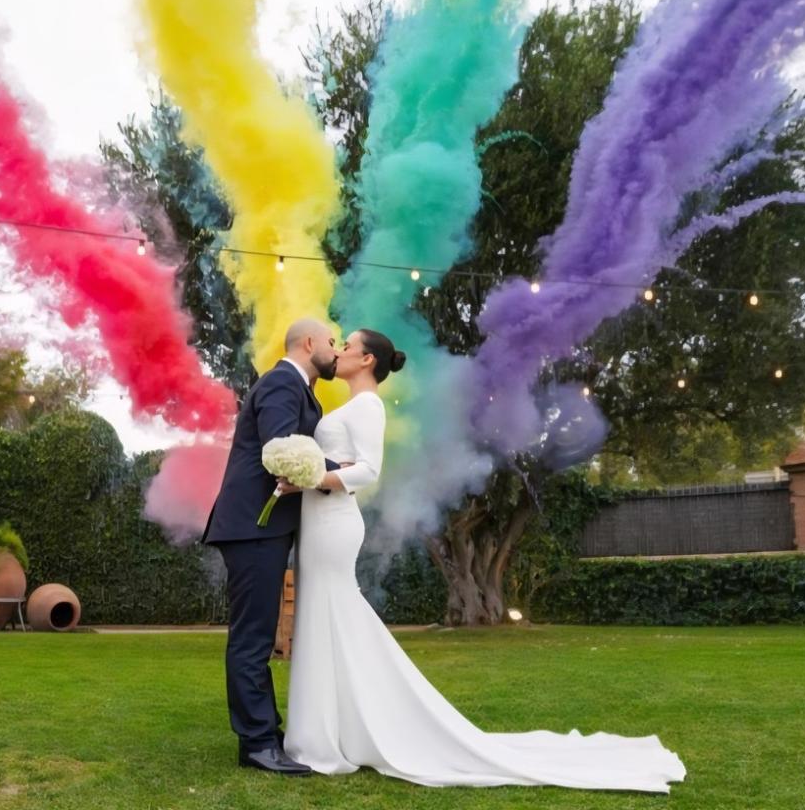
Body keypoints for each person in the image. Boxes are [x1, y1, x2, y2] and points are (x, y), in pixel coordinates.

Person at [281, 328, 687, 792]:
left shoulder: (368, 406)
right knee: (325, 618)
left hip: (333, 522)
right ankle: (333, 729)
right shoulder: (352, 405)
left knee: (332, 613)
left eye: (348, 345)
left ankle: (328, 737)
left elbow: (368, 470)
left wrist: (313, 475)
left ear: (367, 360)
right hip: (318, 521)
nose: (340, 349)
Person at [201, 317, 339, 775]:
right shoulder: (283, 382)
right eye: (332, 342)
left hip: (262, 528)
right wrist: (345, 470)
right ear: (309, 342)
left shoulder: (297, 386)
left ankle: (265, 732)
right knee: (254, 637)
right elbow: (282, 450)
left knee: (258, 634)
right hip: (252, 526)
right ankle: (257, 743)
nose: (336, 351)